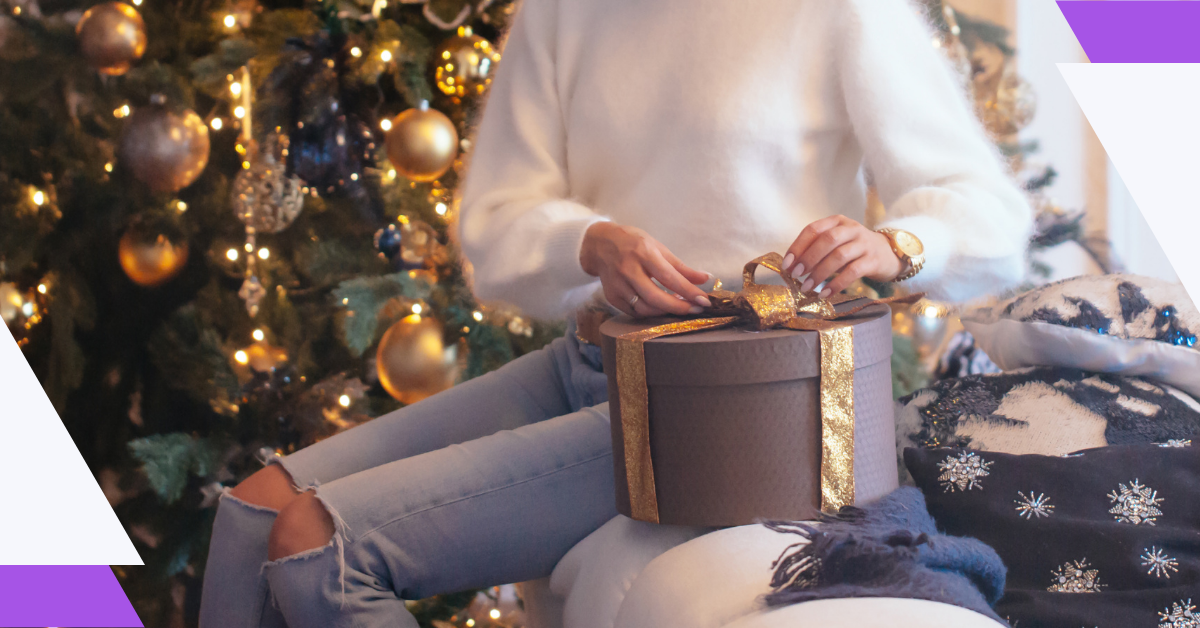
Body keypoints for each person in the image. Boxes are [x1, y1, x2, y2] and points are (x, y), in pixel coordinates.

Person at [199, 0, 1032, 626]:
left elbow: (992, 216)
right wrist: (589, 243)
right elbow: (493, 225)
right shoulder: (563, 10)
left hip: (741, 403)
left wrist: (900, 245)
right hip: (592, 363)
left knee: (318, 545)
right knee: (251, 513)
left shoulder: (840, 8)